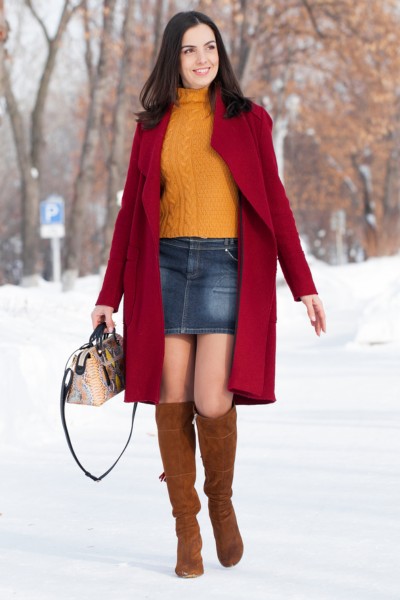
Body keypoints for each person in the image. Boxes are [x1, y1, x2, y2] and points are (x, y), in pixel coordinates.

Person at [91, 10, 326, 579]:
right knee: (171, 395)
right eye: (190, 50)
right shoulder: (152, 127)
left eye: (211, 48)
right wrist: (109, 295)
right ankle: (186, 528)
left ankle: (220, 503)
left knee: (211, 398)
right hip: (165, 268)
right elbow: (128, 217)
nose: (202, 59)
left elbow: (276, 202)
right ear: (173, 58)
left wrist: (303, 285)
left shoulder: (250, 120)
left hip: (224, 266)